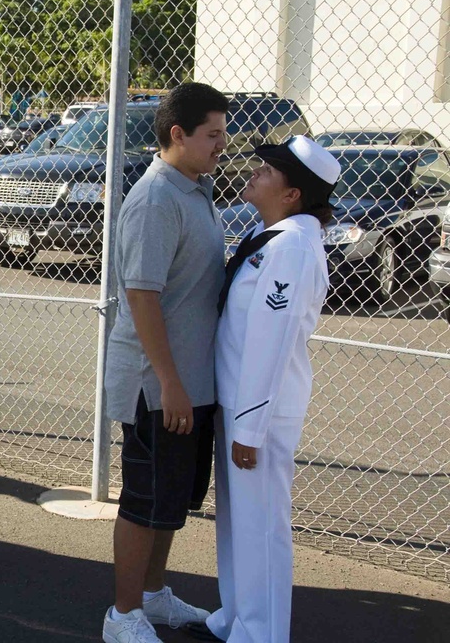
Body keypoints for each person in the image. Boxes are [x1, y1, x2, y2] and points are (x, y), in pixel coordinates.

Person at [187, 136, 338, 643]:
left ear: (293, 193)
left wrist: (249, 428)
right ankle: (237, 618)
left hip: (262, 414)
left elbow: (271, 344)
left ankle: (262, 634)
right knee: (237, 525)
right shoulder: (270, 234)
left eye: (266, 171)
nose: (253, 174)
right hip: (239, 404)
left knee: (262, 528)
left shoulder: (293, 247)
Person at [101, 82, 229, 643]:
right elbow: (142, 295)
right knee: (145, 499)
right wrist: (171, 382)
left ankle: (152, 598)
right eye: (213, 135)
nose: (222, 145)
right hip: (158, 386)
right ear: (177, 135)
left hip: (188, 382)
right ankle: (122, 614)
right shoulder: (156, 199)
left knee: (171, 500)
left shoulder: (193, 189)